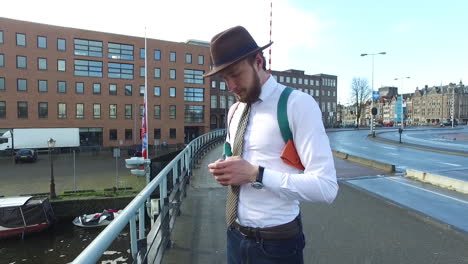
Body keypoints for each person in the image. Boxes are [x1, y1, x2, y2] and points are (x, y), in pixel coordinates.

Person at [206, 26, 338, 264]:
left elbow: (326, 187)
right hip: (234, 236)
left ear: (258, 61)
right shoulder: (235, 111)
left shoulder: (297, 105)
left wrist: (257, 174)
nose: (231, 87)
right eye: (224, 79)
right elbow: (235, 159)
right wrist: (225, 169)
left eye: (235, 74)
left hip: (277, 245)